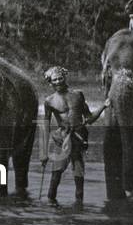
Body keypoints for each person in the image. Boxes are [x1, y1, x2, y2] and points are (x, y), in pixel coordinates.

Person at [40, 66, 109, 204]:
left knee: (79, 179)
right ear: (50, 83)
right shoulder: (49, 101)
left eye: (60, 78)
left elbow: (89, 118)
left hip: (79, 139)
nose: (58, 81)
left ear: (65, 78)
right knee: (55, 178)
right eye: (55, 80)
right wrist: (43, 153)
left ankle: (79, 207)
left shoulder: (78, 95)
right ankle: (51, 206)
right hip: (62, 140)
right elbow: (45, 126)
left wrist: (103, 106)